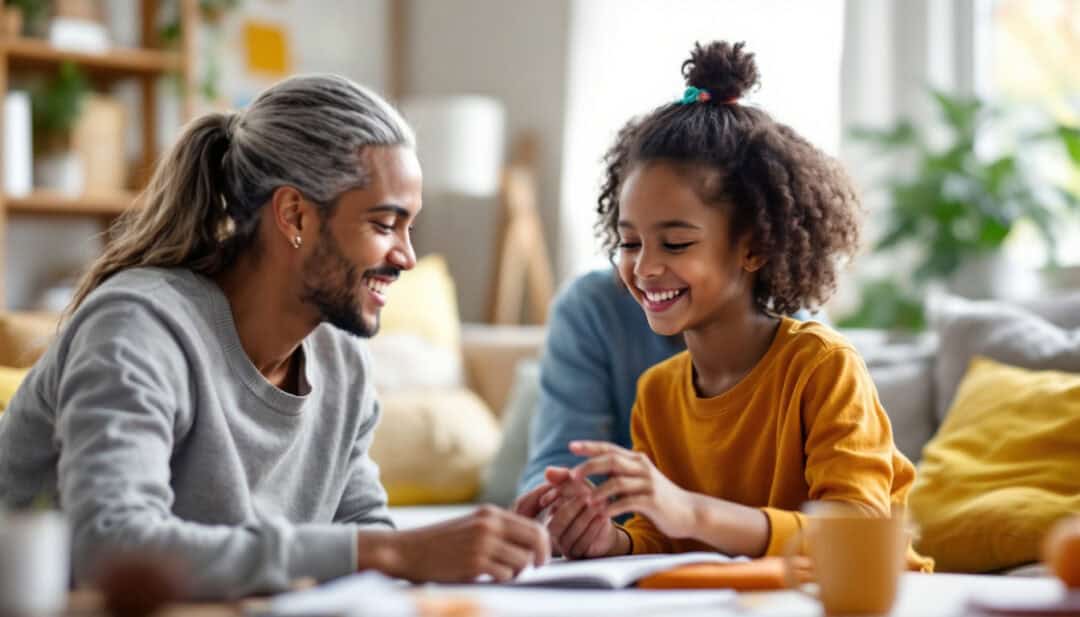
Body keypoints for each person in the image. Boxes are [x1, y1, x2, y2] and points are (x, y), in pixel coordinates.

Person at [0, 74, 547, 600]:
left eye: (409, 227)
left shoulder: (342, 361)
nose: (406, 256)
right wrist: (391, 553)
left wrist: (482, 550)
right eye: (384, 225)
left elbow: (363, 531)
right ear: (294, 215)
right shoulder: (138, 326)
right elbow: (113, 548)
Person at [516, 41, 932, 571]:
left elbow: (857, 530)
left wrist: (691, 512)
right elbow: (660, 536)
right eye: (629, 242)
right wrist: (608, 540)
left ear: (754, 246)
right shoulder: (659, 393)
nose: (643, 268)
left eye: (676, 244)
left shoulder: (823, 367)